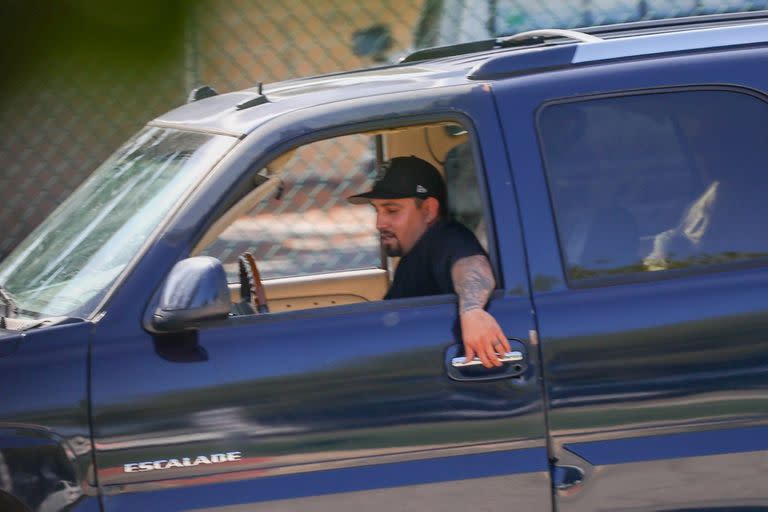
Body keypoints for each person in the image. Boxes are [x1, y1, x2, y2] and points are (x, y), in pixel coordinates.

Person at [348, 156, 509, 368]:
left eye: (392, 210)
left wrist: (472, 311)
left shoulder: (445, 238)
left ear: (429, 210)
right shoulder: (416, 252)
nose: (379, 223)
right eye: (377, 210)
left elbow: (471, 262)